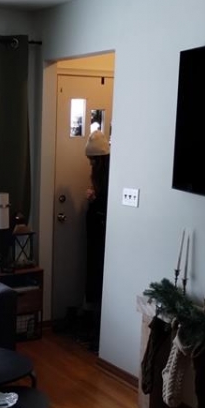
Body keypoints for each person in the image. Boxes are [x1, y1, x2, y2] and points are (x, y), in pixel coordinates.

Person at [84, 129, 110, 309]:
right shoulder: (98, 174)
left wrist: (95, 199)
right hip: (95, 225)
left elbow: (107, 201)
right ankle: (91, 306)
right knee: (92, 266)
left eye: (92, 160)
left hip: (101, 227)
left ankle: (97, 308)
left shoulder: (109, 174)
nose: (90, 163)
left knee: (98, 266)